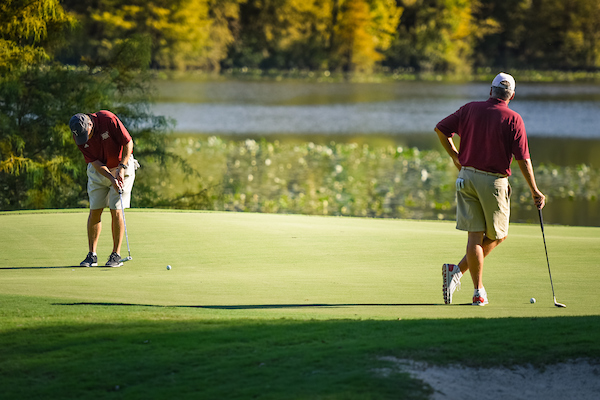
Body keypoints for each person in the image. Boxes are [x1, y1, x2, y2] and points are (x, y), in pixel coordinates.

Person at [434, 72, 545, 306]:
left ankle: (473, 288)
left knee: (475, 236)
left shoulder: (469, 109)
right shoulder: (514, 119)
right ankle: (466, 280)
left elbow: (441, 129)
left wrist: (455, 156)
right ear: (511, 96)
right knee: (499, 235)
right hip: (493, 183)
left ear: (490, 91)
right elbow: (523, 159)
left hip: (466, 178)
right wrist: (535, 190)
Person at [70, 110, 138, 267]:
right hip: (99, 171)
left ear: (90, 124)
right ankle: (92, 255)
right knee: (95, 210)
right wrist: (110, 178)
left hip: (122, 165)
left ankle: (116, 255)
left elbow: (128, 142)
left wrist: (121, 168)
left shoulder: (107, 119)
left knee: (116, 209)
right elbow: (95, 162)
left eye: (86, 134)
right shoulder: (79, 135)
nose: (84, 139)